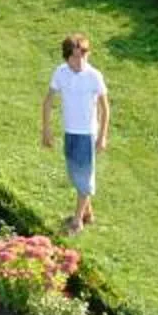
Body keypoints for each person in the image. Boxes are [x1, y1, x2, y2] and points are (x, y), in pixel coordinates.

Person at [42, 34, 110, 234]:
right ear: (67, 57)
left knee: (84, 177)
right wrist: (46, 129)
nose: (80, 61)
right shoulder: (60, 73)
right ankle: (88, 212)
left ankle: (77, 220)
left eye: (83, 56)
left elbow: (105, 108)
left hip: (86, 134)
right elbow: (48, 101)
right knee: (74, 174)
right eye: (75, 57)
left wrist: (102, 136)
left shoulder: (94, 76)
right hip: (69, 131)